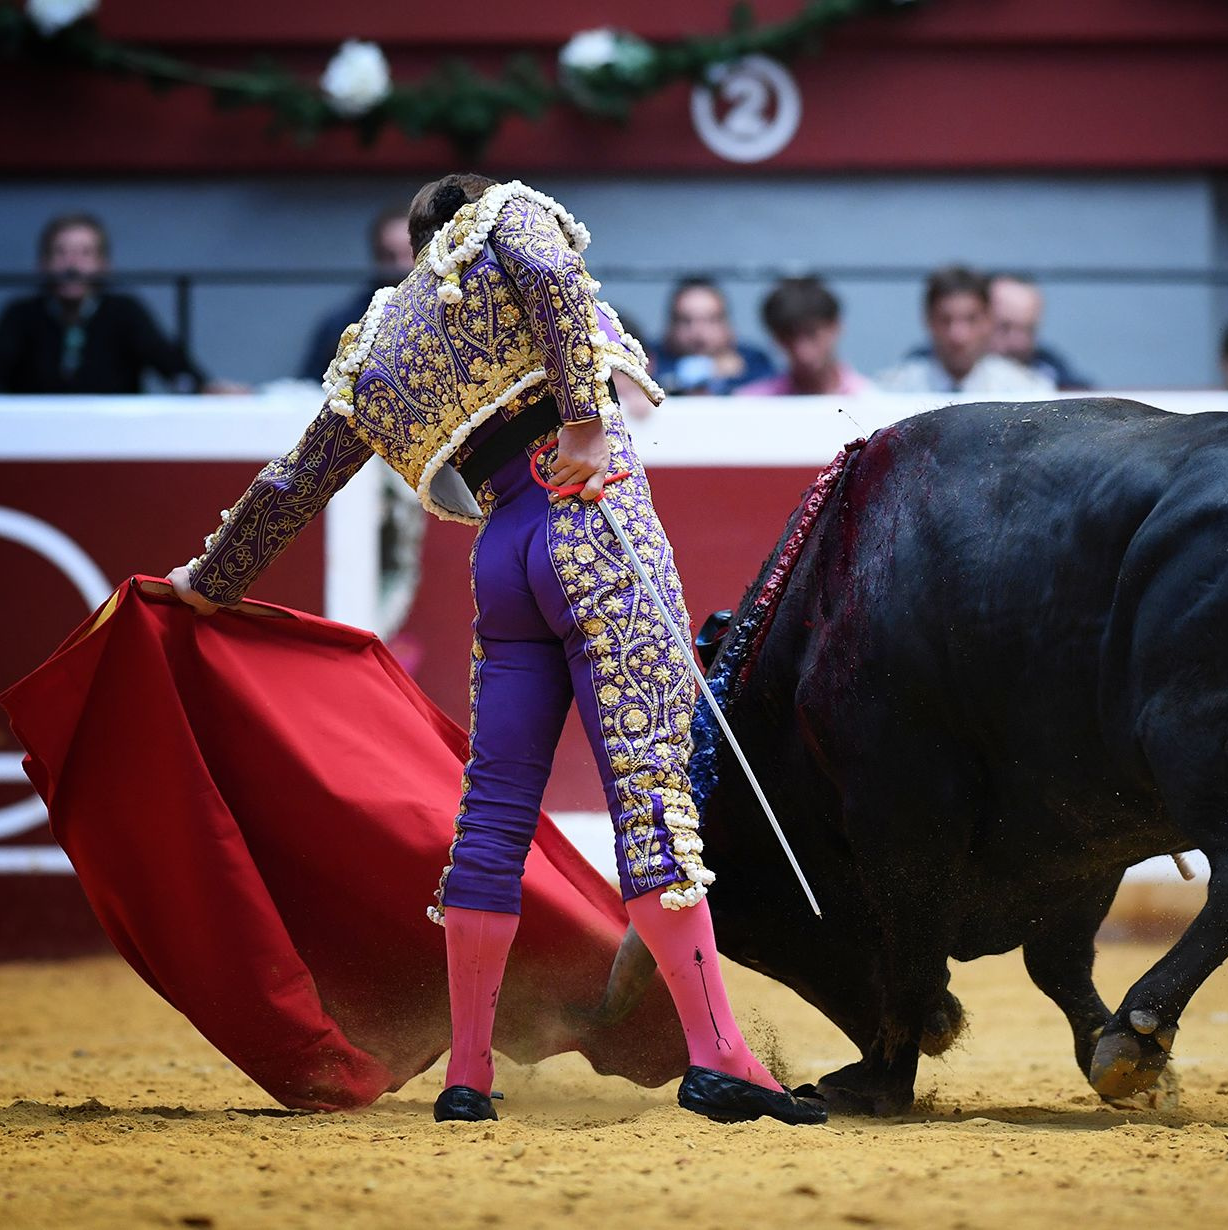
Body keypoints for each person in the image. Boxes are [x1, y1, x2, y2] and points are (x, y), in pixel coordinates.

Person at [163, 173, 825, 1129]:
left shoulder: (378, 349)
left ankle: (467, 1070)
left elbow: (294, 482)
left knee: (493, 810)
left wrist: (205, 581)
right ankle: (718, 1052)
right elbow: (555, 275)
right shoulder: (506, 217)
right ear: (467, 215)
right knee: (649, 794)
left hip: (504, 557)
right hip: (592, 528)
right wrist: (590, 425)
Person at [0, 213, 232, 395]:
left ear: (103, 265)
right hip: (34, 441)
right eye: (61, 253)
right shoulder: (22, 314)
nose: (72, 264)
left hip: (115, 441)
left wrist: (206, 388)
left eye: (85, 254)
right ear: (43, 264)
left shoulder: (124, 311)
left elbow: (171, 365)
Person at [878, 266, 1056, 394]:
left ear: (988, 321)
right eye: (946, 320)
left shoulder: (1026, 392)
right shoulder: (889, 391)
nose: (958, 335)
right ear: (928, 320)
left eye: (971, 320)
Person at [297, 206, 416, 380]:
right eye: (389, 256)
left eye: (408, 254)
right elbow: (308, 387)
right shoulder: (343, 322)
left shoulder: (447, 308)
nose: (399, 266)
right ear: (376, 257)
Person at [734, 276, 872, 396]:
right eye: (788, 336)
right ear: (775, 337)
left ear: (835, 326)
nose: (802, 351)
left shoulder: (872, 400)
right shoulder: (750, 403)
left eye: (812, 334)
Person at [655, 277, 775, 395]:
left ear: (729, 327)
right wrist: (709, 369)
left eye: (711, 320)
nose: (698, 332)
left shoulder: (754, 361)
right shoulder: (651, 360)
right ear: (669, 327)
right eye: (685, 321)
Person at [988, 273, 1093, 389]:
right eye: (1005, 327)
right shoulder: (966, 375)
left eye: (1029, 329)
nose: (1019, 343)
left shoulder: (1052, 369)